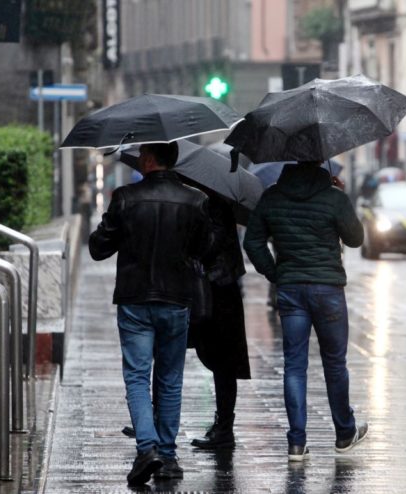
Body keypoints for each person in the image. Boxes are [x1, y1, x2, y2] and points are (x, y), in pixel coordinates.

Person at [89, 142, 212, 486]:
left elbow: (98, 248)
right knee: (170, 380)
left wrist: (111, 226)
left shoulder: (126, 197)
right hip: (176, 299)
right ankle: (168, 457)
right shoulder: (195, 200)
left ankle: (147, 448)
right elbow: (205, 249)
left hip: (135, 298)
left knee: (137, 377)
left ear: (147, 159)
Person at [243, 161, 368, 462]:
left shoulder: (273, 196)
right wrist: (341, 196)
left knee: (294, 366)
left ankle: (297, 443)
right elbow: (356, 239)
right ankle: (344, 433)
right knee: (335, 364)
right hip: (328, 290)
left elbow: (252, 241)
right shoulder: (333, 196)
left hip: (291, 289)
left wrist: (274, 273)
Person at [188, 191, 252, 450]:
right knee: (218, 361)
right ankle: (223, 426)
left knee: (223, 362)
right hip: (215, 288)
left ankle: (224, 428)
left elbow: (209, 244)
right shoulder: (210, 202)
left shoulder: (211, 205)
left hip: (218, 289)